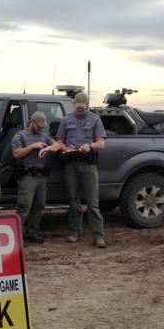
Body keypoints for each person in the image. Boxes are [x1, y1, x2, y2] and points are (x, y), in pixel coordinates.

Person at [55, 91, 107, 248]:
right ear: (74, 105)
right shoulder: (67, 120)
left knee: (92, 202)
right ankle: (75, 232)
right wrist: (65, 148)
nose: (79, 110)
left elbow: (101, 144)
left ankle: (98, 235)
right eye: (77, 107)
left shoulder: (95, 120)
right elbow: (59, 140)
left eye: (82, 108)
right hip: (71, 164)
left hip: (88, 165)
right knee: (74, 200)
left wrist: (89, 145)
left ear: (87, 106)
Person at [12, 111, 61, 243]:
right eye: (38, 126)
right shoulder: (20, 136)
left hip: (41, 177)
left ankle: (31, 233)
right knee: (24, 207)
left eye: (42, 127)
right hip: (27, 176)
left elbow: (58, 145)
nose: (40, 128)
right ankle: (17, 236)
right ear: (32, 122)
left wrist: (48, 149)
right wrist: (32, 146)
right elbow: (16, 154)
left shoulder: (44, 136)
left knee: (39, 206)